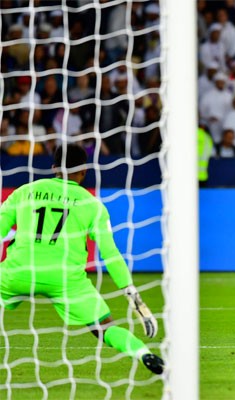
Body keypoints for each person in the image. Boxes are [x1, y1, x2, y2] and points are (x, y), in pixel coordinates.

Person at [0, 144, 164, 374]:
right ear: (84, 171)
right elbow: (110, 253)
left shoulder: (24, 192)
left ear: (54, 167)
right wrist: (131, 292)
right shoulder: (92, 205)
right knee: (104, 327)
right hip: (66, 279)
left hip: (18, 272)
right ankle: (143, 353)